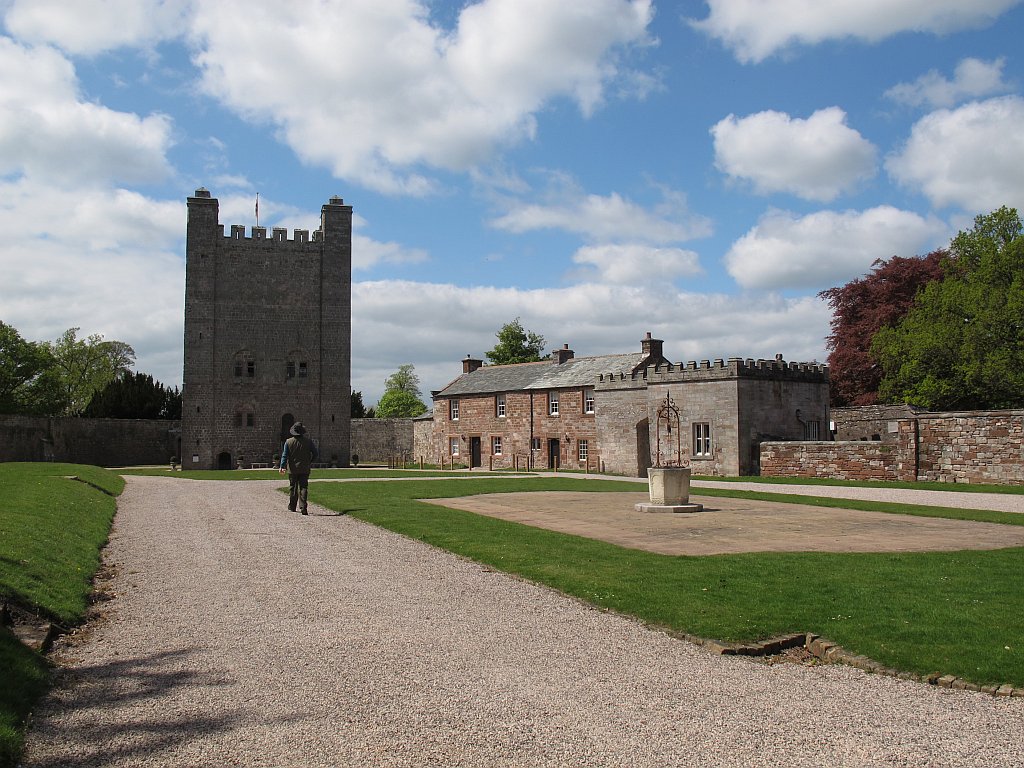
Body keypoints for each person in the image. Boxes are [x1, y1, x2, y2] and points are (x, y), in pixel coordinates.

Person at [279, 421, 319, 514]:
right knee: (303, 487)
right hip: (305, 468)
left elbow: (285, 455)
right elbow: (315, 454)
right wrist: (310, 461)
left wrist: (282, 466)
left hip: (292, 469)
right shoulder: (308, 442)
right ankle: (303, 507)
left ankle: (292, 506)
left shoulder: (288, 442)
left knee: (293, 487)